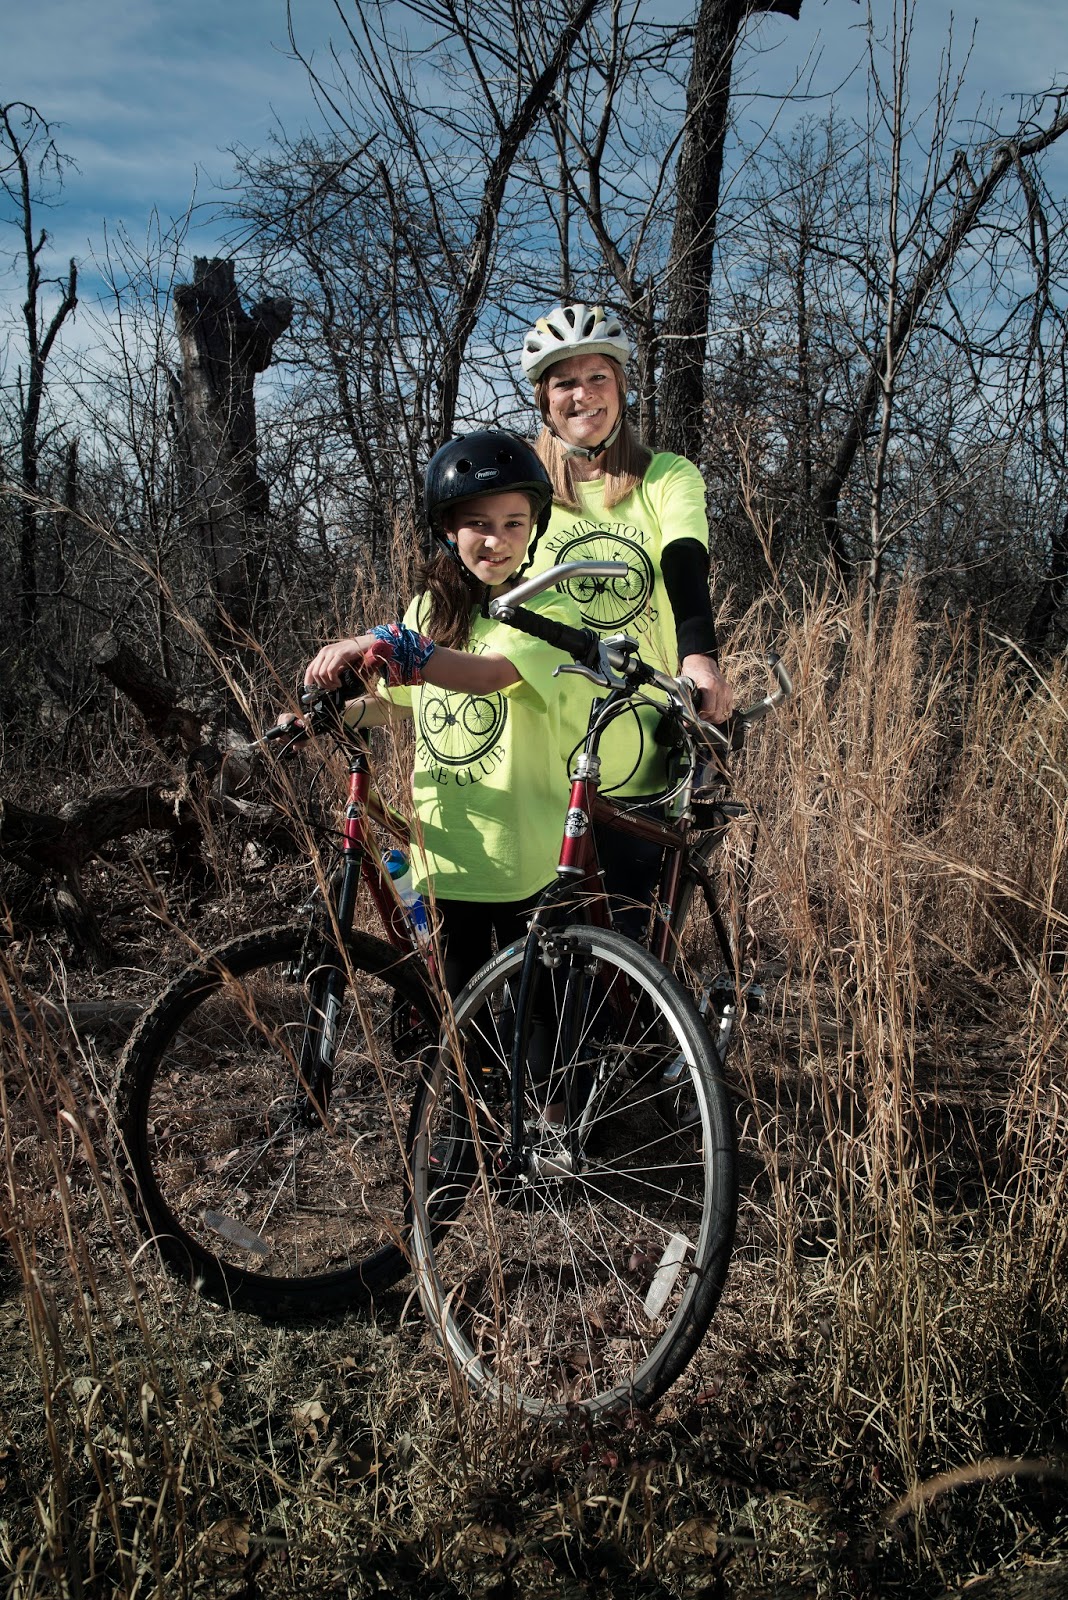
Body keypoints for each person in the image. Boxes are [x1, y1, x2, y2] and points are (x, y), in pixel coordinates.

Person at [301, 430, 584, 998]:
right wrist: (326, 716)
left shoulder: (548, 609)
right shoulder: (429, 608)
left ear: (534, 528)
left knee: (536, 1019)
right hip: (446, 851)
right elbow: (398, 702)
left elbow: (486, 675)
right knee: (459, 1017)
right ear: (450, 531)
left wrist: (388, 641)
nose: (497, 540)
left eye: (514, 523)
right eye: (479, 523)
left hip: (520, 855)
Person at [519, 300, 734, 931]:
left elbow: (685, 560)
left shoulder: (664, 477)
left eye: (598, 377)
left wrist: (699, 656)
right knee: (542, 953)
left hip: (638, 738)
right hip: (541, 750)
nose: (582, 394)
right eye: (564, 381)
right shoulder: (525, 494)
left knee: (628, 940)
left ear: (621, 388)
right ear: (544, 399)